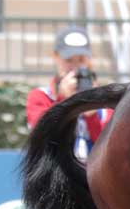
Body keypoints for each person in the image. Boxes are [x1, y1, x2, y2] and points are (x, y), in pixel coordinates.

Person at [26, 28, 113, 161]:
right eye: (69, 60)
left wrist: (92, 112)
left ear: (89, 61)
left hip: (89, 179)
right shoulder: (40, 97)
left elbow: (109, 149)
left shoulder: (104, 104)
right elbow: (43, 139)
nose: (75, 67)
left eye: (81, 60)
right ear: (55, 57)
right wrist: (63, 101)